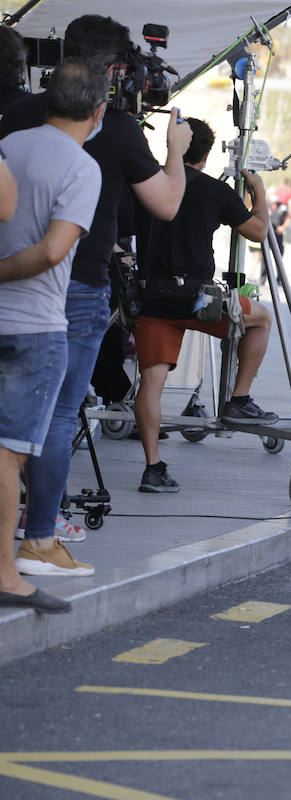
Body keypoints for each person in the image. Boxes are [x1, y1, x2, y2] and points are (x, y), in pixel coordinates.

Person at [1, 14, 191, 570]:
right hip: (76, 285)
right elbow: (168, 205)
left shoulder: (15, 118)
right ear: (108, 80)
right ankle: (43, 529)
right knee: (59, 415)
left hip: (14, 282)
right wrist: (176, 148)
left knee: (13, 420)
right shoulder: (109, 130)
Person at [1, 59, 104, 604]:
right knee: (11, 452)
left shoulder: (10, 144)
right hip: (35, 325)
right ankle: (23, 559)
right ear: (99, 110)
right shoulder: (82, 167)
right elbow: (53, 251)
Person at [131, 117, 278, 494]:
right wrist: (258, 190)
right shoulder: (214, 191)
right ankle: (239, 399)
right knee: (261, 319)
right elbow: (259, 232)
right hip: (199, 302)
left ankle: (153, 467)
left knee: (152, 381)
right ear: (208, 153)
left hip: (151, 298)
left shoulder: (144, 185)